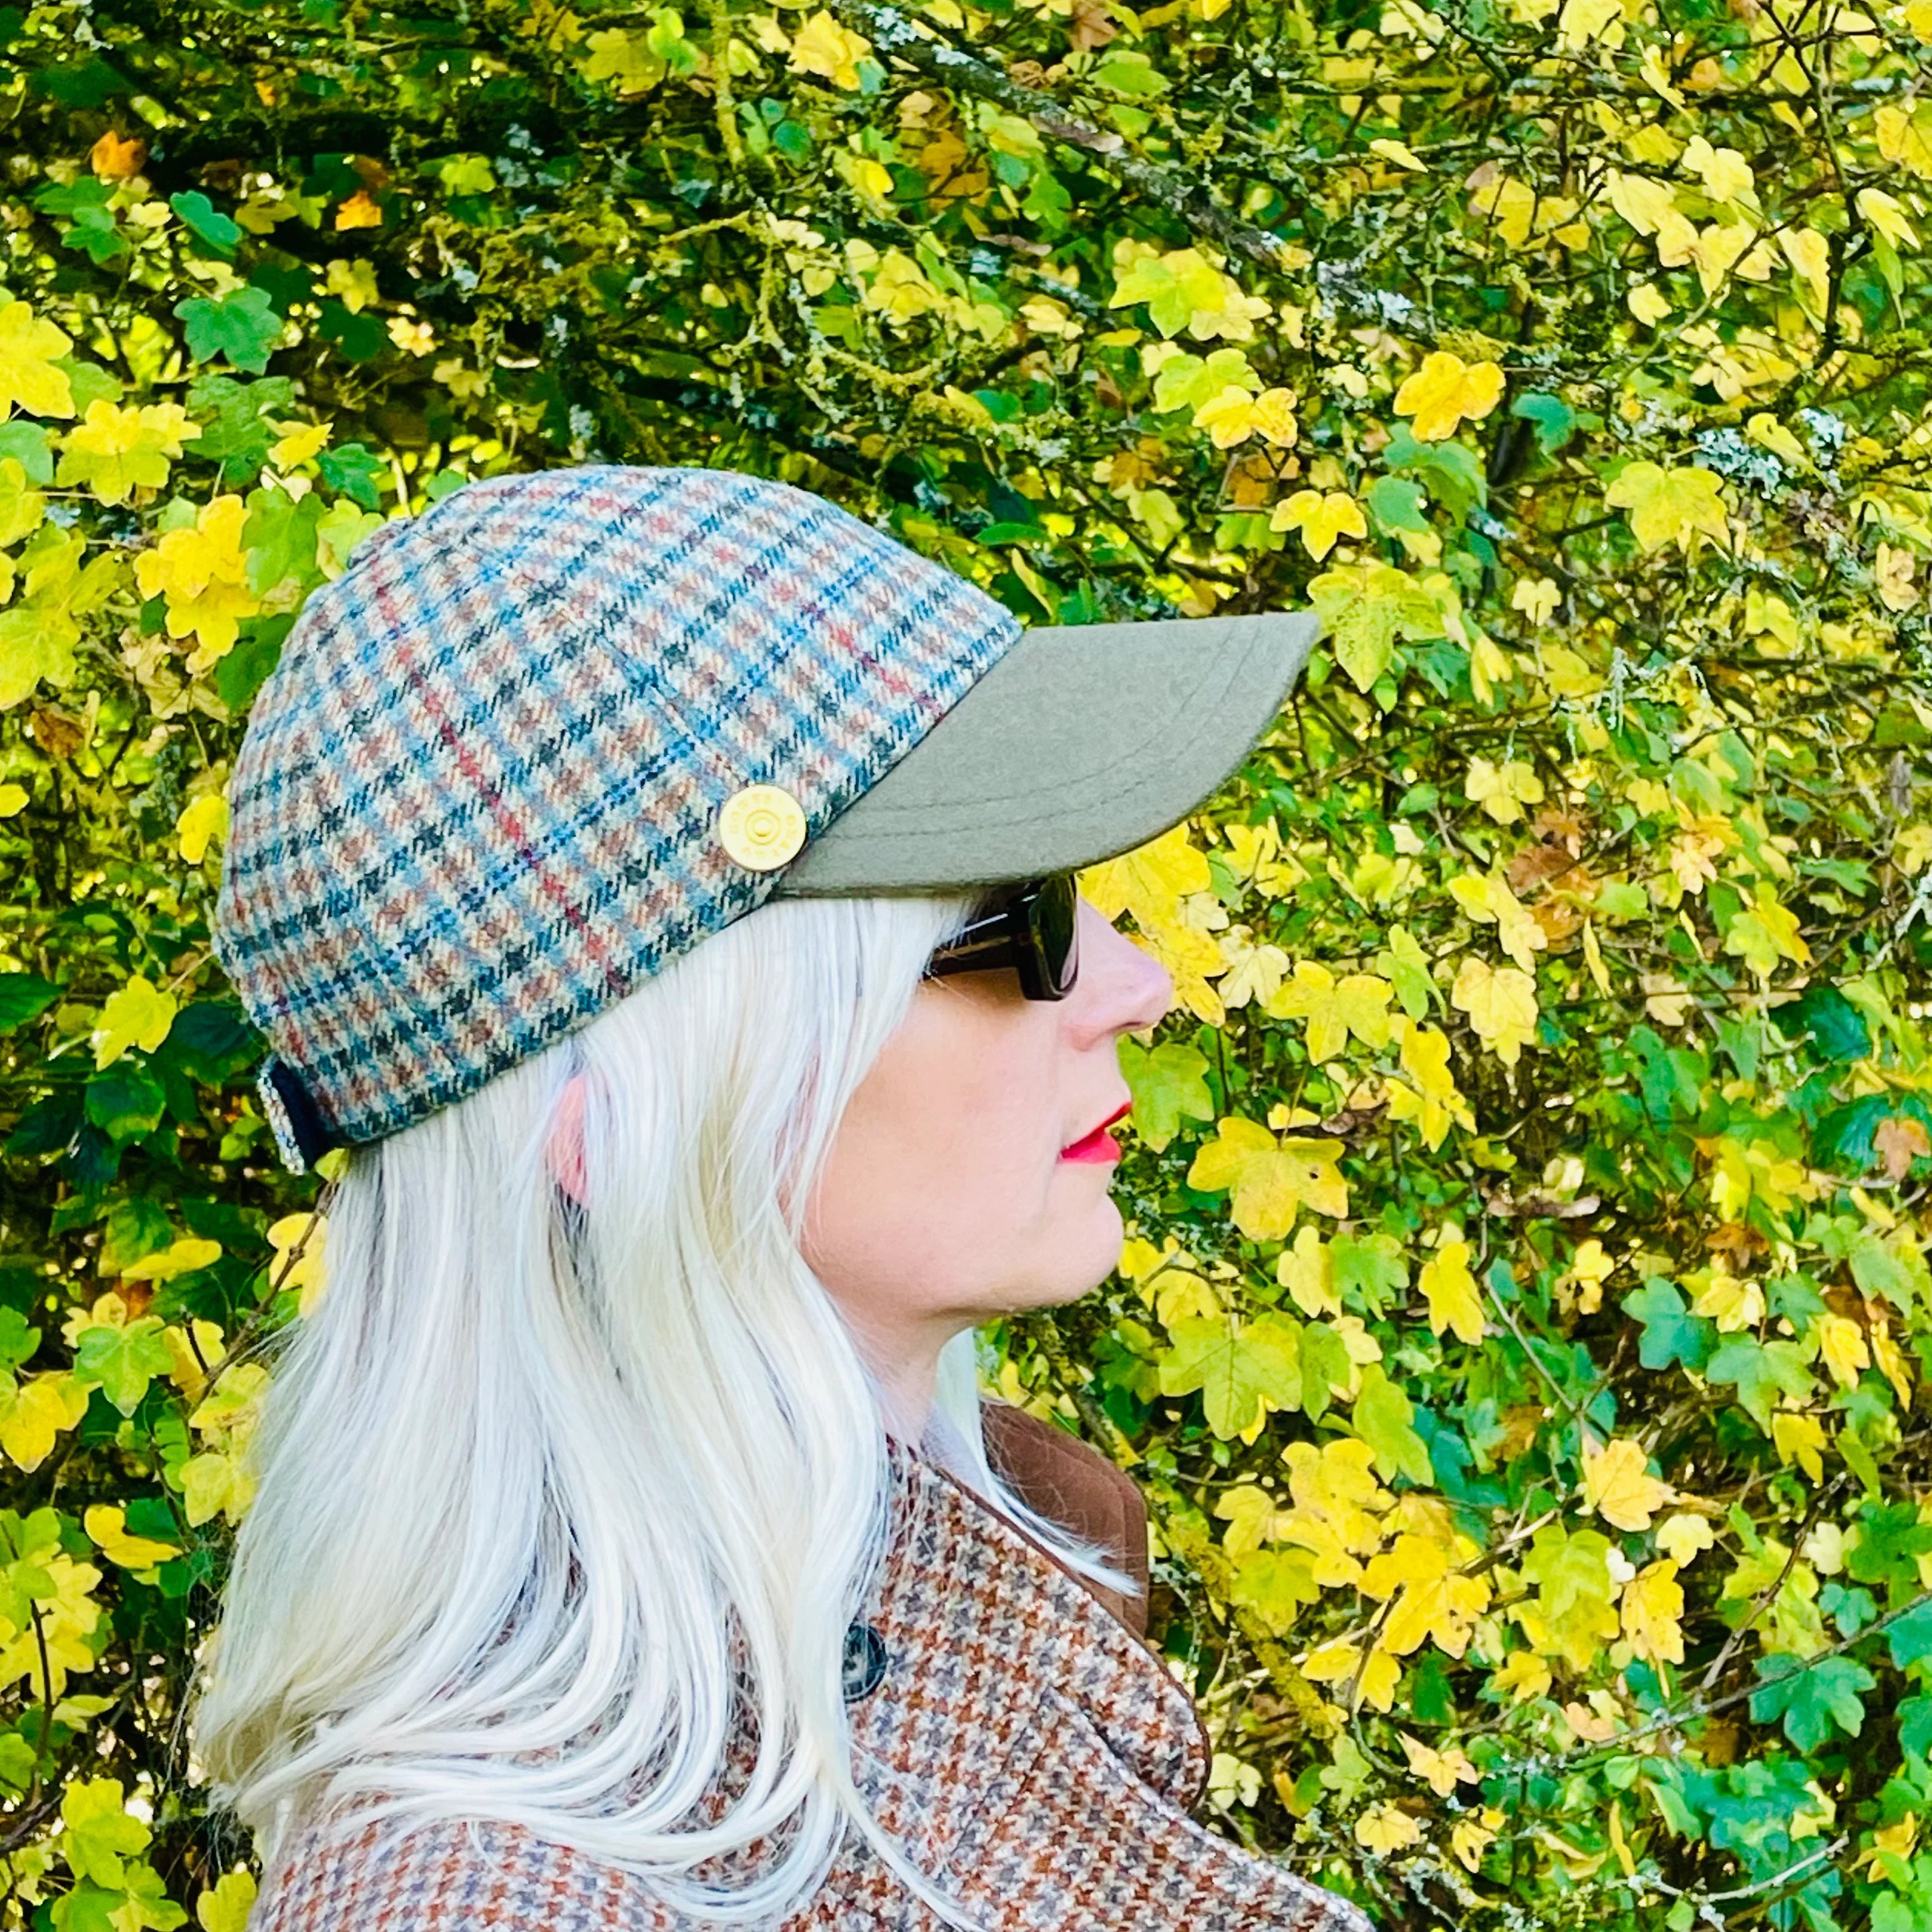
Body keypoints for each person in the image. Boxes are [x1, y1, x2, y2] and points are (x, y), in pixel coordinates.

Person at [193, 464, 1369, 1931]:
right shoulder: (493, 1902)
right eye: (1020, 923)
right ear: (626, 1124)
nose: (1139, 987)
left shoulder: (1003, 1586)